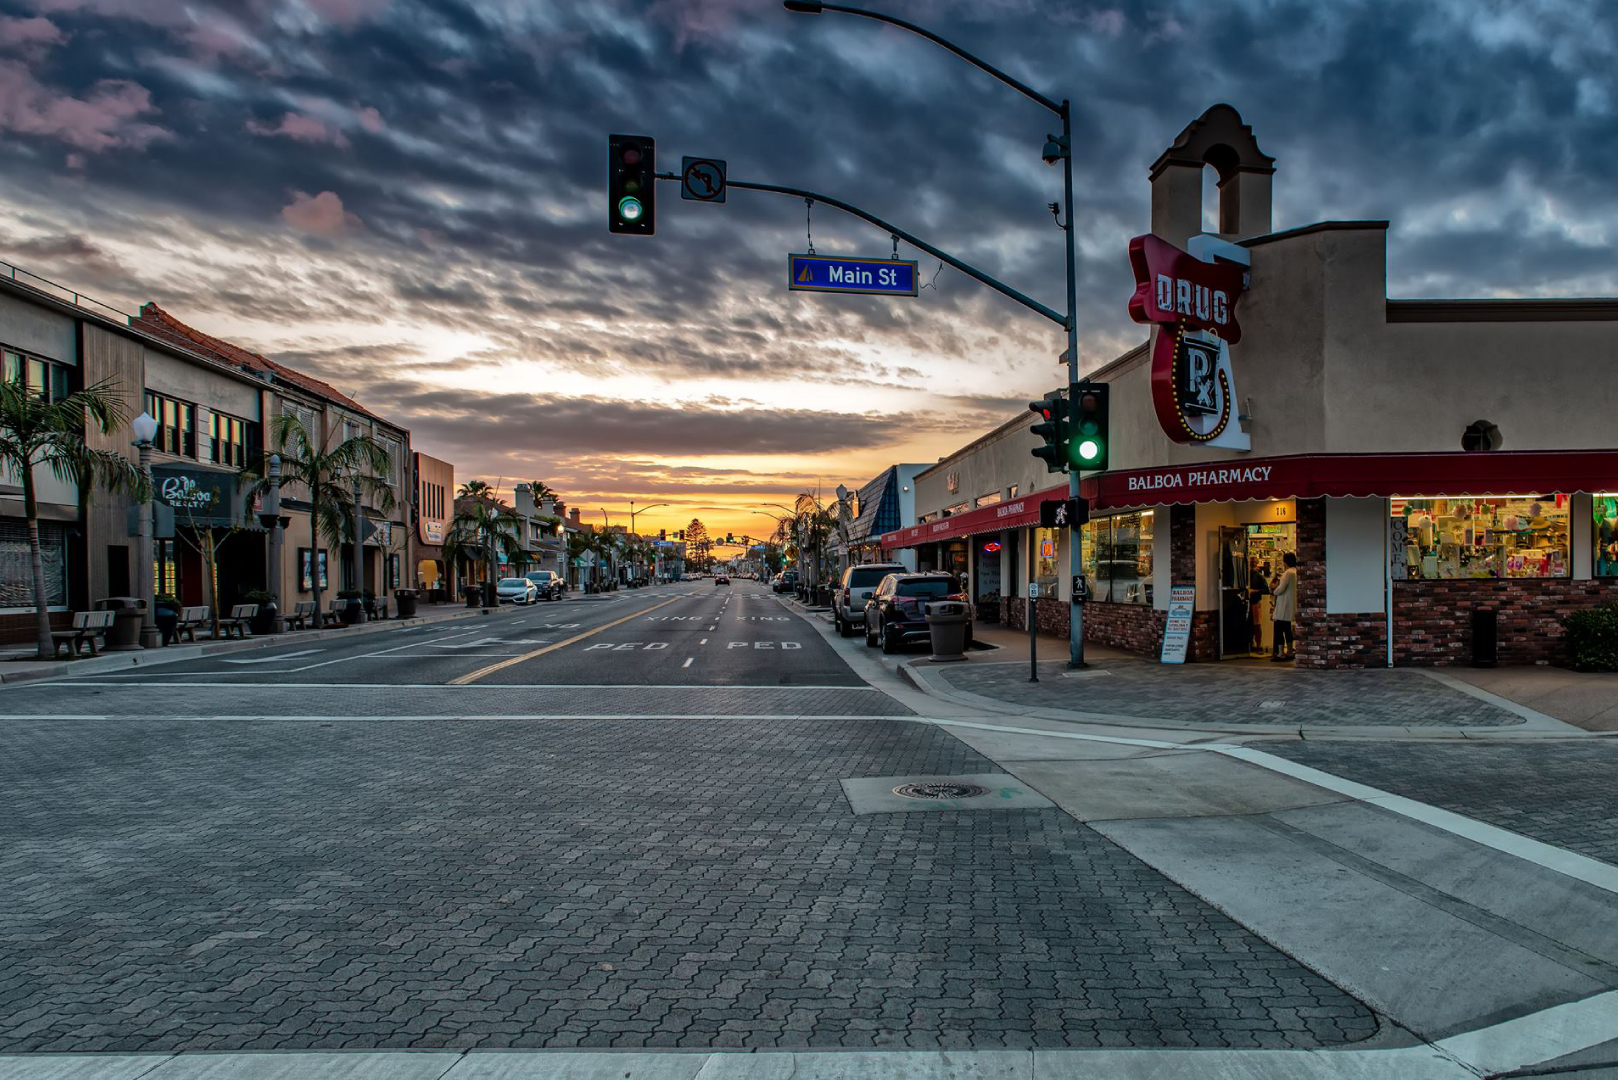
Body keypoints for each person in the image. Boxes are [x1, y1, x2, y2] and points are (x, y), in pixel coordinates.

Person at [1270, 551, 1297, 661]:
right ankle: (1290, 651)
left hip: (1283, 606)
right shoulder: (1295, 572)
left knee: (1278, 629)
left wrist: (1273, 592)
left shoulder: (1287, 573)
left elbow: (1281, 588)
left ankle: (1281, 653)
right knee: (1287, 630)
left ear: (1285, 562)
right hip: (1290, 605)